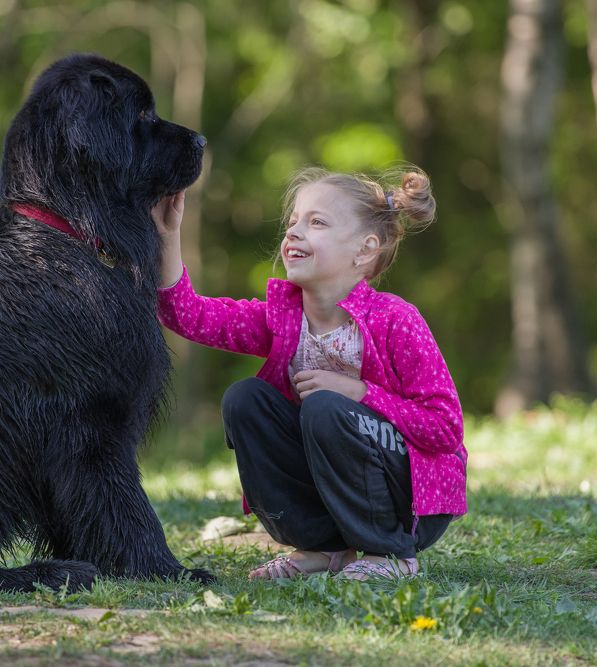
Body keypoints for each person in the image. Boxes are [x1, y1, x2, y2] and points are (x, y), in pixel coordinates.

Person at [151, 166, 467, 581]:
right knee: (245, 399)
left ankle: (390, 554)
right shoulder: (283, 317)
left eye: (316, 222)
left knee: (324, 407)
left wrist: (359, 392)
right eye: (293, 221)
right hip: (336, 493)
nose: (294, 232)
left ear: (365, 249)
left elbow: (445, 429)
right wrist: (168, 234)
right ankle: (322, 548)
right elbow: (189, 316)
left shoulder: (396, 319)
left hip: (407, 505)